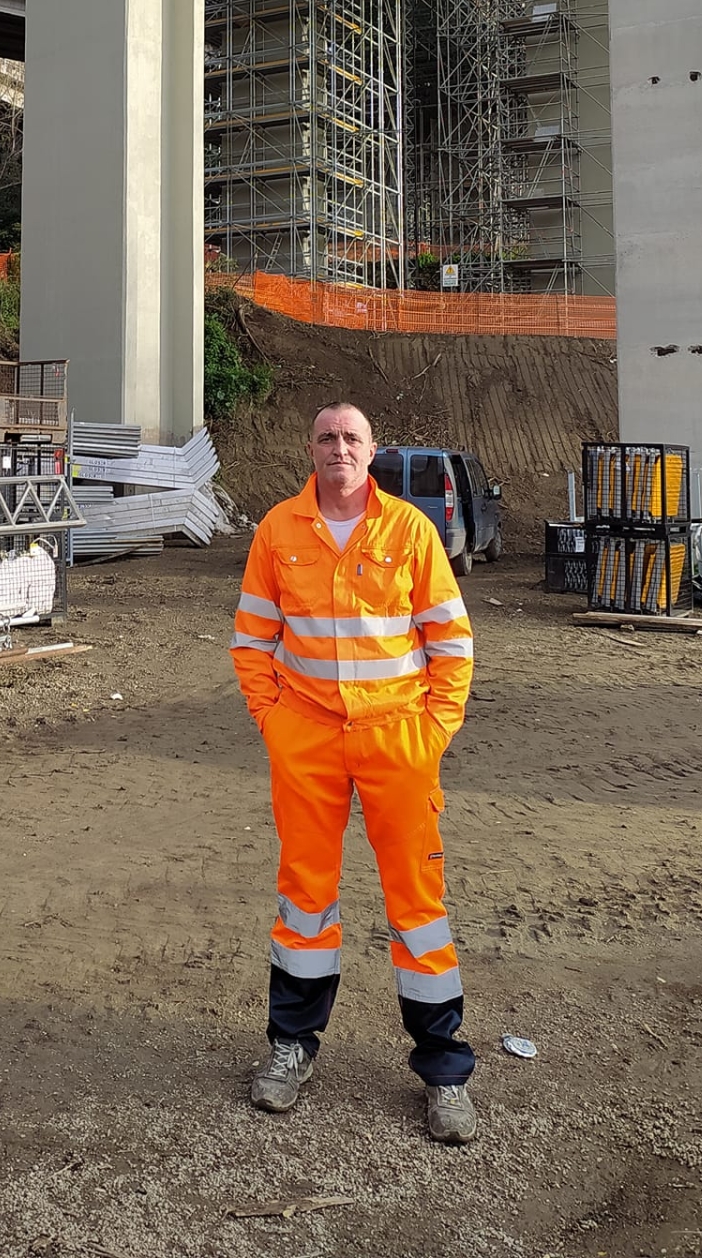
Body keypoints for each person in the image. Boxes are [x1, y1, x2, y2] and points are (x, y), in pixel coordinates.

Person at [230, 402, 478, 1144]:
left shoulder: (410, 531)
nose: (340, 447)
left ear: (372, 453)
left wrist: (432, 731)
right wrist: (275, 723)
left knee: (418, 904)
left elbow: (451, 645)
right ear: (310, 448)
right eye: (328, 437)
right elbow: (251, 641)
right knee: (305, 901)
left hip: (398, 739)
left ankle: (444, 1073)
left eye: (353, 438)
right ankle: (291, 1049)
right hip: (305, 739)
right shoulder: (277, 531)